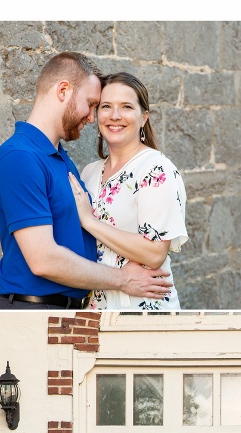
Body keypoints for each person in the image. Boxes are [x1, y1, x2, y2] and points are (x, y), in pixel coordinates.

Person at [0, 51, 171, 310]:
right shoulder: (19, 157)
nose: (92, 118)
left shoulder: (61, 160)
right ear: (63, 90)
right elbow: (44, 260)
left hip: (71, 310)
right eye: (92, 104)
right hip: (35, 310)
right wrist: (122, 280)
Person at [70, 72, 188, 310]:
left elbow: (155, 253)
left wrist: (89, 221)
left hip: (141, 308)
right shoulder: (89, 173)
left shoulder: (156, 169)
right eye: (106, 106)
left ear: (144, 117)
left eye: (126, 106)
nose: (115, 116)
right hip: (96, 310)